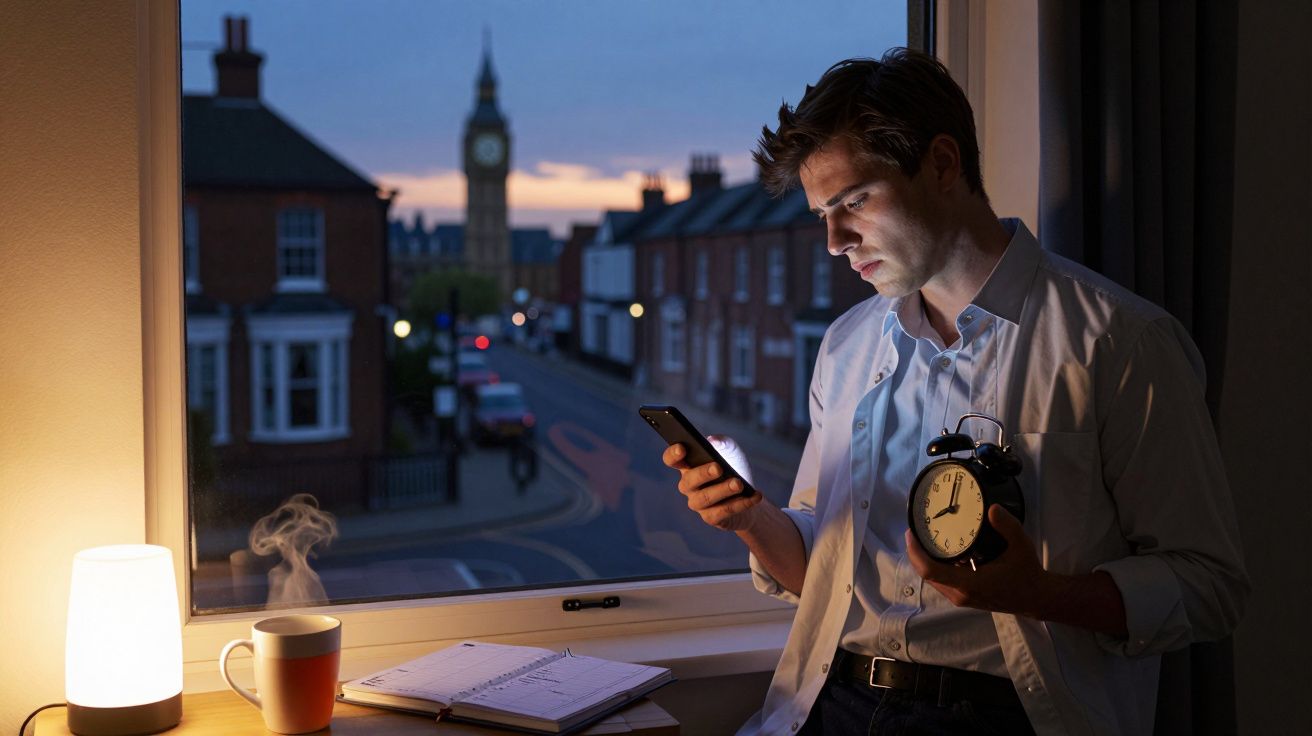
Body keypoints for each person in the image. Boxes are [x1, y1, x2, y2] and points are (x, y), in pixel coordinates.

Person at [661, 49, 1248, 735]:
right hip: (828, 704)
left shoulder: (1118, 343)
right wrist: (751, 522)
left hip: (1005, 716)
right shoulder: (847, 347)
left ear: (942, 164)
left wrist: (1040, 596)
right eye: (823, 212)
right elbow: (820, 574)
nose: (833, 241)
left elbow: (1210, 588)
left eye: (854, 202)